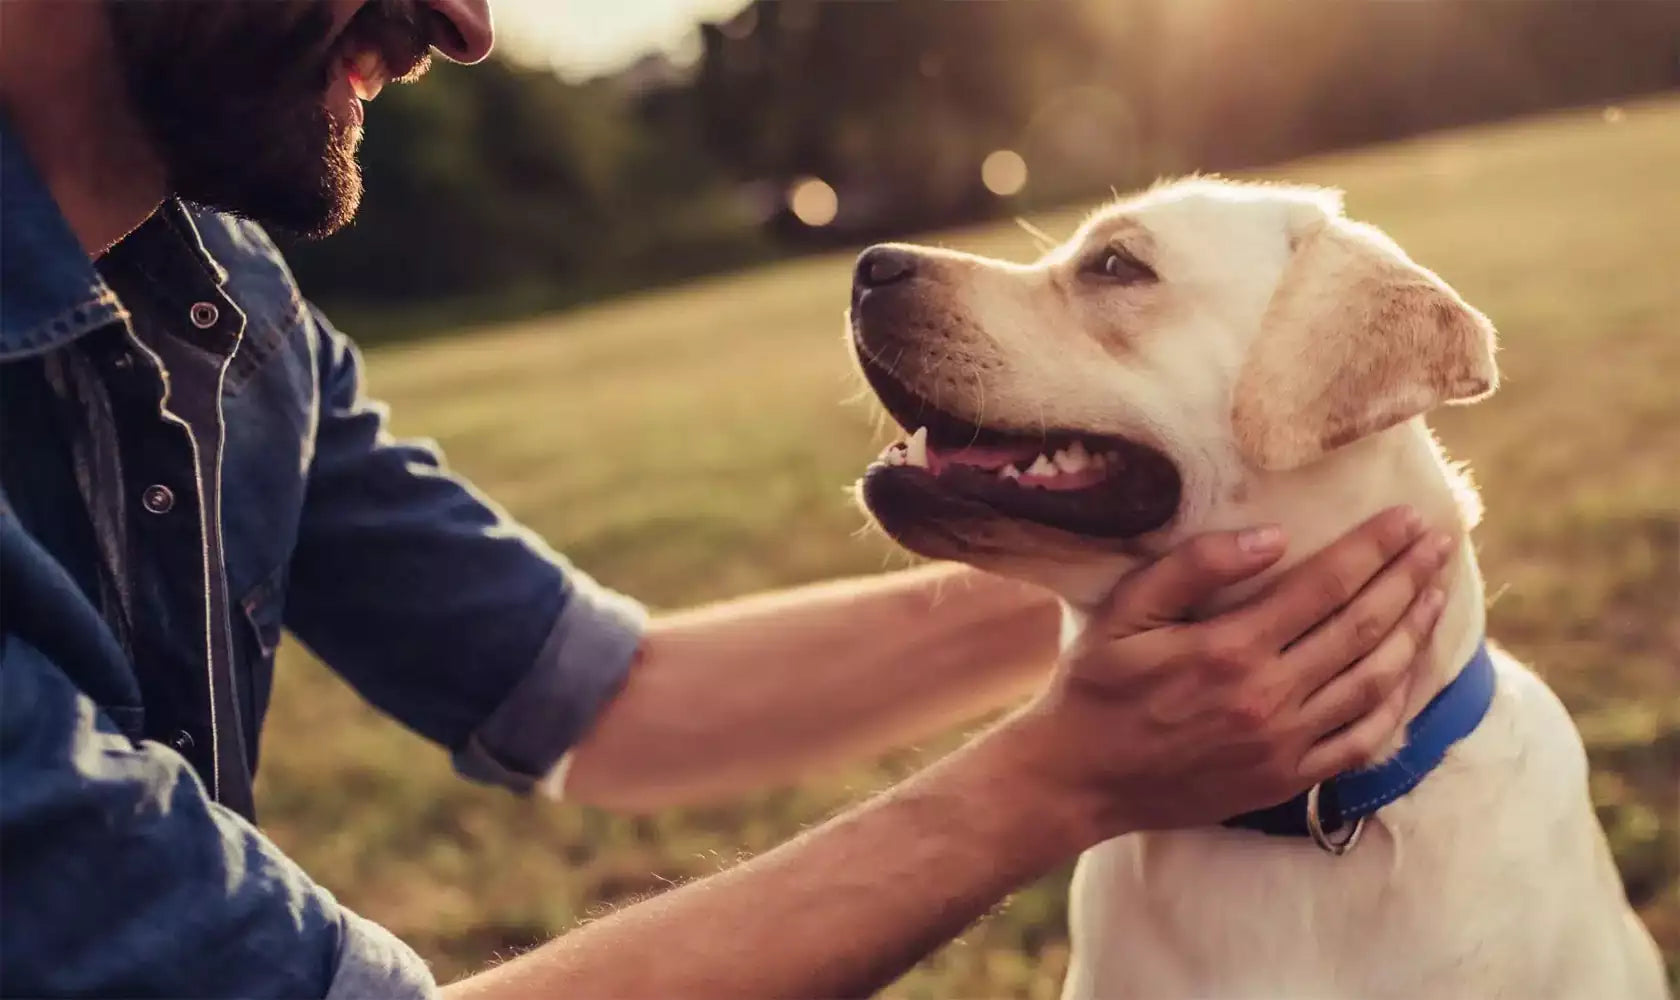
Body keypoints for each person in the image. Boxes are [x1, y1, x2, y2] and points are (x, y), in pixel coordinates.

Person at [0, 2, 1454, 996]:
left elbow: (609, 697)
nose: (466, 21)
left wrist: (1193, 570)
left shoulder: (222, 310)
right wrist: (1062, 776)